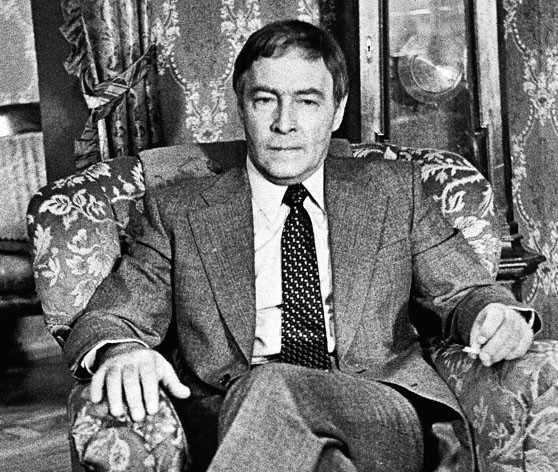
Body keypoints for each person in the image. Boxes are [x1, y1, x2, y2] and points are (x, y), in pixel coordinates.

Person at [64, 20, 537, 472]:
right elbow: (111, 318)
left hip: (377, 412)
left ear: (337, 110)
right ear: (241, 107)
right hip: (235, 420)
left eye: (307, 101)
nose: (284, 123)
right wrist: (120, 351)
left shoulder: (393, 192)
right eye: (265, 100)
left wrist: (494, 313)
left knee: (272, 383)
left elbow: (466, 291)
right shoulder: (178, 211)